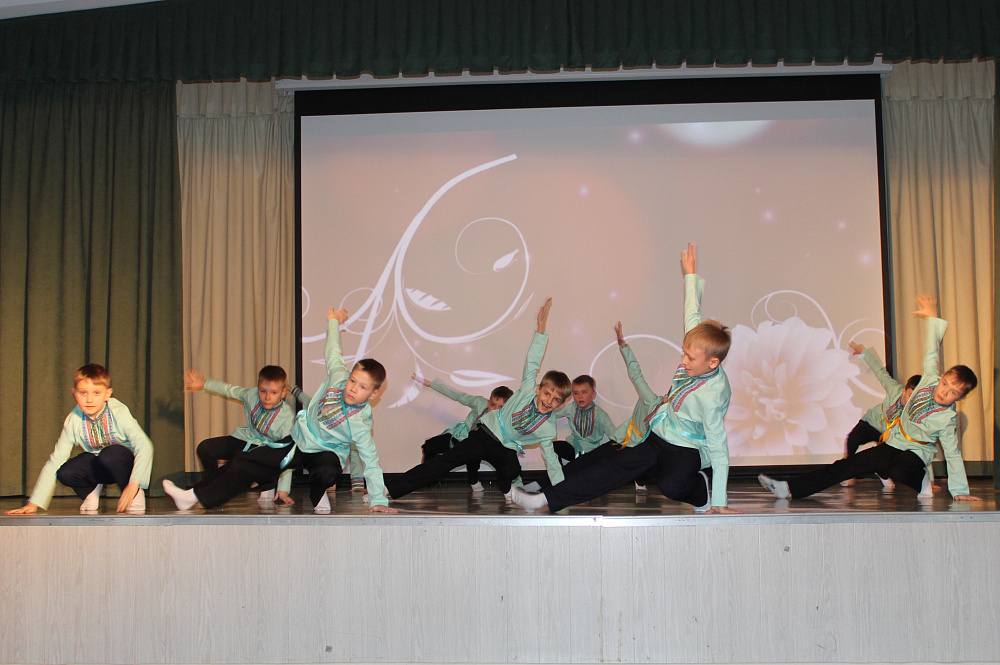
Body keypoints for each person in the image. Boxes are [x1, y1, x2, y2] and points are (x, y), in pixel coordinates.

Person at [512, 243, 742, 514]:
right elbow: (692, 311)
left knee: (671, 486)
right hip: (659, 433)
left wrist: (720, 501)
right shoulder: (699, 344)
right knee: (612, 468)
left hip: (689, 447)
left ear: (713, 362)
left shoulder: (713, 396)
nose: (684, 361)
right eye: (685, 353)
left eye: (691, 359)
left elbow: (719, 448)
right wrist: (690, 274)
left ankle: (701, 491)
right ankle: (543, 499)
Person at [163, 306, 396, 514]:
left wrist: (378, 499)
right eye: (353, 380)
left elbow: (371, 461)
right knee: (245, 461)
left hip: (326, 453)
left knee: (327, 472)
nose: (353, 388)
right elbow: (333, 352)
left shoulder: (361, 424)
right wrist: (333, 322)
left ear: (373, 394)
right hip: (298, 441)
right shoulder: (338, 377)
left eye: (362, 387)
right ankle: (192, 497)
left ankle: (318, 493)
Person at [759, 294, 981, 502]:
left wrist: (960, 491)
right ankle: (789, 489)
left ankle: (922, 481)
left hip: (916, 452)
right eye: (945, 384)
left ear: (960, 398)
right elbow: (932, 350)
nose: (944, 391)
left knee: (899, 470)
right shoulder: (930, 379)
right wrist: (932, 317)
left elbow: (952, 454)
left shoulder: (947, 420)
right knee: (848, 465)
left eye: (953, 392)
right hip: (894, 443)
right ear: (941, 378)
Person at [383, 298, 571, 501]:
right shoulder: (527, 390)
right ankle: (389, 490)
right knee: (444, 462)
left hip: (506, 447)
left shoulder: (548, 428)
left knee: (512, 469)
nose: (549, 401)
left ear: (561, 404)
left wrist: (563, 493)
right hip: (486, 435)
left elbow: (551, 460)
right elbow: (532, 361)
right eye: (547, 393)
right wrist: (541, 329)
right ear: (539, 389)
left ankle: (507, 488)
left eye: (556, 400)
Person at [6, 364, 153, 515]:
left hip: (123, 464)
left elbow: (144, 446)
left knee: (110, 455)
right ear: (74, 393)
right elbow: (55, 461)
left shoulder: (118, 412)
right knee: (65, 472)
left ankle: (134, 495)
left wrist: (134, 483)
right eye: (83, 393)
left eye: (96, 393)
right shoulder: (73, 420)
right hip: (100, 464)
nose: (89, 399)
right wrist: (33, 503)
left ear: (107, 394)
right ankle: (91, 491)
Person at [186, 365, 297, 504]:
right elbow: (229, 390)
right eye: (263, 391)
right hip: (246, 439)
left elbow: (287, 454)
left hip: (265, 451)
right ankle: (214, 491)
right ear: (257, 388)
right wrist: (204, 383)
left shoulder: (286, 419)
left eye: (274, 393)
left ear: (283, 393)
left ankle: (266, 483)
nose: (267, 397)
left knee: (243, 463)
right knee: (205, 448)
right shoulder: (251, 395)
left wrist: (284, 490)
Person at [841, 343, 920, 488]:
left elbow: (923, 442)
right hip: (872, 421)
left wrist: (929, 481)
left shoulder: (916, 411)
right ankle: (846, 471)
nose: (912, 401)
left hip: (889, 433)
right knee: (853, 439)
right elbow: (880, 371)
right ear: (904, 391)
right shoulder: (894, 389)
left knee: (887, 456)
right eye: (910, 395)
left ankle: (883, 473)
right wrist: (864, 352)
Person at [415, 376, 513, 491]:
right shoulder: (479, 403)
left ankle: (474, 481)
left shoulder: (505, 420)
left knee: (474, 454)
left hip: (479, 445)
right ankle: (425, 478)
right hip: (461, 436)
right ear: (489, 401)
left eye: (500, 407)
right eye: (492, 404)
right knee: (429, 446)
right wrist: (432, 384)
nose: (494, 409)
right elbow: (459, 396)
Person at [522, 375, 615, 491]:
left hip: (590, 452)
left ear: (593, 395)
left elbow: (614, 434)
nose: (580, 396)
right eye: (576, 393)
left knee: (576, 467)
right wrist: (535, 409)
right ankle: (556, 483)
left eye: (584, 392)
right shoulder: (571, 408)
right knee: (553, 448)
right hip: (572, 446)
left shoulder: (601, 415)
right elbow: (552, 413)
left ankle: (543, 484)